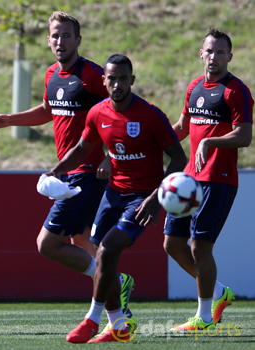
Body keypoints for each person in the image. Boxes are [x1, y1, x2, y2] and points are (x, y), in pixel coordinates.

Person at [0, 11, 135, 335]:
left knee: (47, 244)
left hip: (87, 174)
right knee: (81, 240)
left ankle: (114, 281)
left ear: (78, 40)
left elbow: (120, 113)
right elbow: (46, 111)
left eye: (66, 35)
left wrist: (111, 158)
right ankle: (119, 318)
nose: (60, 41)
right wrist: (8, 119)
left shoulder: (95, 76)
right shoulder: (52, 73)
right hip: (68, 173)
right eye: (55, 35)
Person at [45, 54, 187, 343]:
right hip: (113, 194)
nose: (117, 84)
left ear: (132, 81)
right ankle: (120, 324)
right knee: (101, 258)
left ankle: (91, 320)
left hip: (141, 199)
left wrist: (157, 198)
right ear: (104, 81)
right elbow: (83, 147)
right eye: (112, 78)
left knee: (108, 250)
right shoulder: (97, 112)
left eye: (123, 78)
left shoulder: (150, 115)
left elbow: (178, 157)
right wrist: (58, 169)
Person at [164, 29, 253, 332]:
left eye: (220, 52)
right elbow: (181, 127)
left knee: (200, 246)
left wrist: (211, 142)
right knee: (172, 244)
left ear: (230, 56)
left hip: (219, 179)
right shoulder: (193, 88)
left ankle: (203, 316)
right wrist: (154, 143)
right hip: (189, 180)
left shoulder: (236, 91)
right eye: (209, 51)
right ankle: (219, 293)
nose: (214, 57)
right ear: (200, 54)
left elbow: (245, 135)